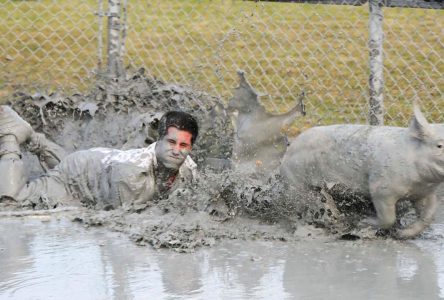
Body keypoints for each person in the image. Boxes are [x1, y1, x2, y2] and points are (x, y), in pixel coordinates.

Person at [0, 106, 199, 211]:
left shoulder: (189, 168)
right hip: (78, 178)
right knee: (13, 203)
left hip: (98, 164)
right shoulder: (131, 177)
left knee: (84, 175)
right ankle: (10, 135)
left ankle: (34, 139)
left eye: (183, 145)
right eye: (171, 142)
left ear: (190, 148)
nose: (176, 150)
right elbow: (120, 221)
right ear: (158, 141)